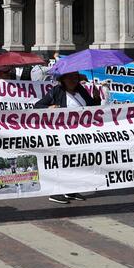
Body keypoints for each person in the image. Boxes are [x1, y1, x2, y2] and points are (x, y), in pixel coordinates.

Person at [35, 71, 100, 203]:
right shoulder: (57, 91)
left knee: (75, 163)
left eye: (75, 77)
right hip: (61, 134)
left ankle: (71, 191)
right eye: (70, 77)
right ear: (63, 79)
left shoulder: (81, 90)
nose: (73, 80)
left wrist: (96, 98)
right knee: (61, 162)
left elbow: (92, 109)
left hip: (79, 135)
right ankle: (55, 192)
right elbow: (37, 106)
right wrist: (50, 107)